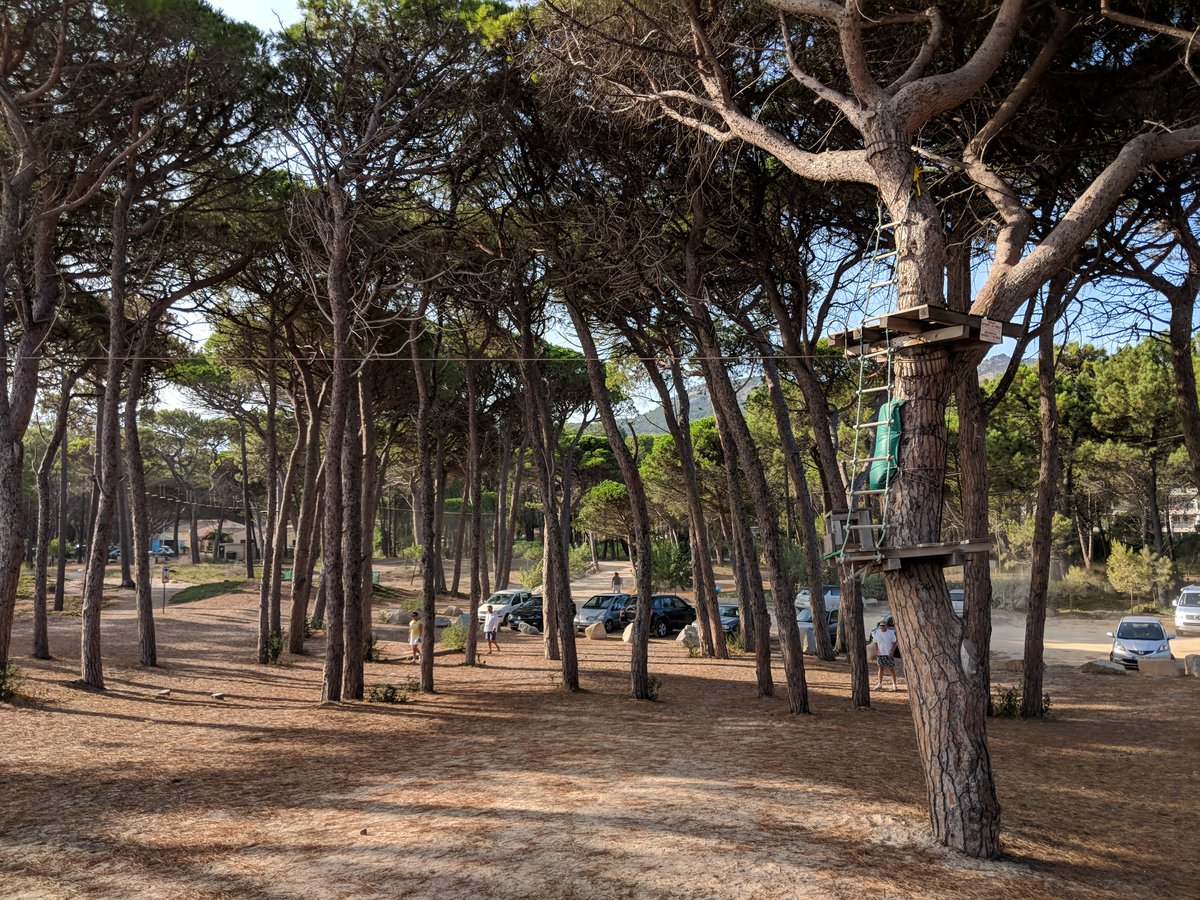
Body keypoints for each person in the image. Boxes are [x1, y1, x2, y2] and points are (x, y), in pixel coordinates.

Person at [873, 619, 900, 690]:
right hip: (880, 654)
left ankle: (894, 685)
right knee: (880, 668)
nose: (882, 627)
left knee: (891, 669)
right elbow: (875, 642)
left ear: (886, 626)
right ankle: (879, 684)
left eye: (883, 625)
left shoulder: (891, 633)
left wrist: (892, 651)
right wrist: (876, 651)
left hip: (888, 654)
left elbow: (894, 642)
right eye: (881, 626)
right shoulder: (877, 632)